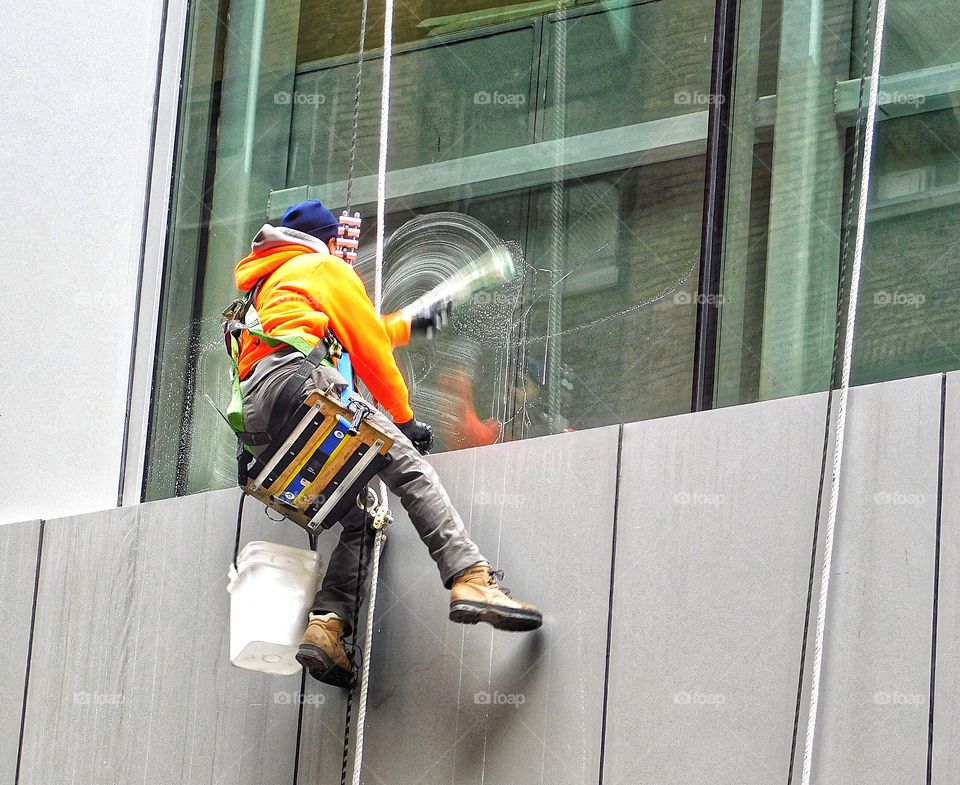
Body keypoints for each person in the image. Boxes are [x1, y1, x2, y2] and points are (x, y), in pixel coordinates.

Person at [232, 199, 542, 688]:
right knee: (408, 467)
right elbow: (367, 349)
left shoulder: (270, 287)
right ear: (329, 241)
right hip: (301, 386)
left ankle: (327, 627)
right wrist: (405, 418)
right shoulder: (323, 265)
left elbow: (358, 330)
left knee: (358, 520)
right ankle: (471, 578)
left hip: (263, 424)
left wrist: (409, 324)